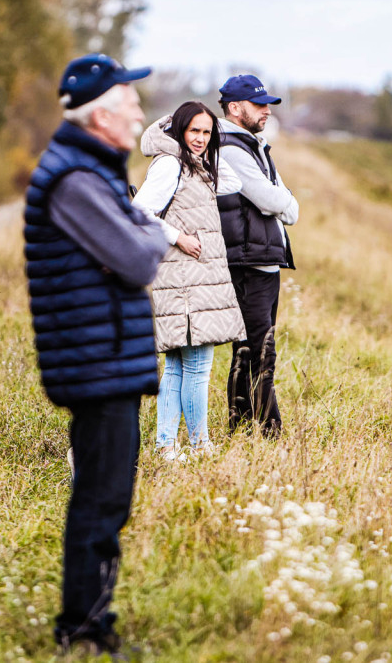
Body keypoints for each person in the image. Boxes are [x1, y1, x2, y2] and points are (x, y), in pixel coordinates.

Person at [23, 53, 167, 658]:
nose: (138, 109)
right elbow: (139, 255)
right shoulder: (77, 182)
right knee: (101, 501)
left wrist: (142, 230)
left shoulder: (92, 170)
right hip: (96, 362)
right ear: (102, 112)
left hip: (107, 355)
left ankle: (91, 618)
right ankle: (82, 628)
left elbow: (135, 236)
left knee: (110, 496)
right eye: (129, 99)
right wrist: (150, 233)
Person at [132, 101, 246, 460]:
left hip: (195, 279)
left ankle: (166, 446)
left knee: (179, 367)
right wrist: (177, 236)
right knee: (197, 367)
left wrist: (206, 149)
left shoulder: (196, 164)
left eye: (207, 132)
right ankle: (200, 446)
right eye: (193, 130)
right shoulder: (170, 164)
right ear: (179, 129)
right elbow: (138, 212)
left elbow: (233, 181)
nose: (200, 138)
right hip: (185, 280)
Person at [216, 75, 299, 437]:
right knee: (256, 354)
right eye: (259, 104)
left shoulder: (254, 145)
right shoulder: (233, 149)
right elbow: (276, 200)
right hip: (248, 264)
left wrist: (284, 200)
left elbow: (289, 209)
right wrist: (284, 200)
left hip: (262, 262)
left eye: (268, 104)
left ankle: (244, 429)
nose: (267, 110)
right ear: (235, 108)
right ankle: (269, 434)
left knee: (253, 353)